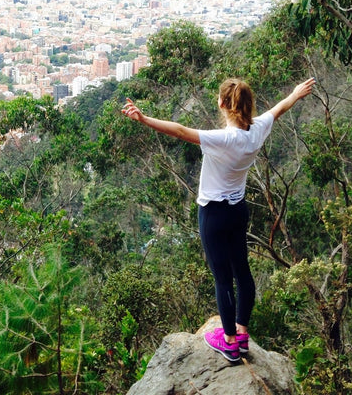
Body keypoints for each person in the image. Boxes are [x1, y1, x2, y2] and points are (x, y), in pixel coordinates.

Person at [121, 77, 315, 362]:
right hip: (238, 211)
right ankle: (242, 334)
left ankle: (229, 343)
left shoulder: (224, 138)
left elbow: (179, 130)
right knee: (243, 272)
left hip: (213, 213)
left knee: (222, 278)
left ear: (223, 104)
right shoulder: (256, 130)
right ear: (248, 105)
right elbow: (278, 109)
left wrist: (144, 119)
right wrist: (295, 94)